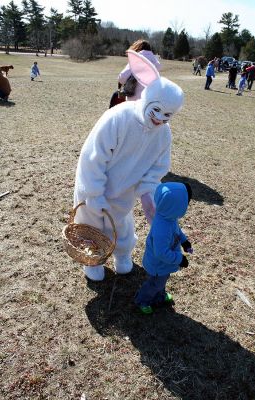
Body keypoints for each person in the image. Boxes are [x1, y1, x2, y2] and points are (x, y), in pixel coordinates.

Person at [73, 50, 184, 281]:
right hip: (95, 185)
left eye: (167, 115)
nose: (160, 119)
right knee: (90, 224)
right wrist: (93, 193)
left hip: (125, 190)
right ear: (147, 98)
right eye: (157, 110)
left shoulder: (163, 134)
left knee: (121, 225)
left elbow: (158, 167)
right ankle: (91, 260)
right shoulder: (118, 117)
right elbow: (92, 156)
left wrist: (147, 192)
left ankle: (122, 255)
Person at [134, 182, 193, 314]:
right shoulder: (162, 228)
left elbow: (176, 230)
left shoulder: (168, 217)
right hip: (158, 265)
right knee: (155, 284)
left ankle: (159, 296)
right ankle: (142, 300)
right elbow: (161, 253)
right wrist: (180, 259)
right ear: (176, 207)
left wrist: (184, 242)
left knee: (162, 281)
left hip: (164, 265)